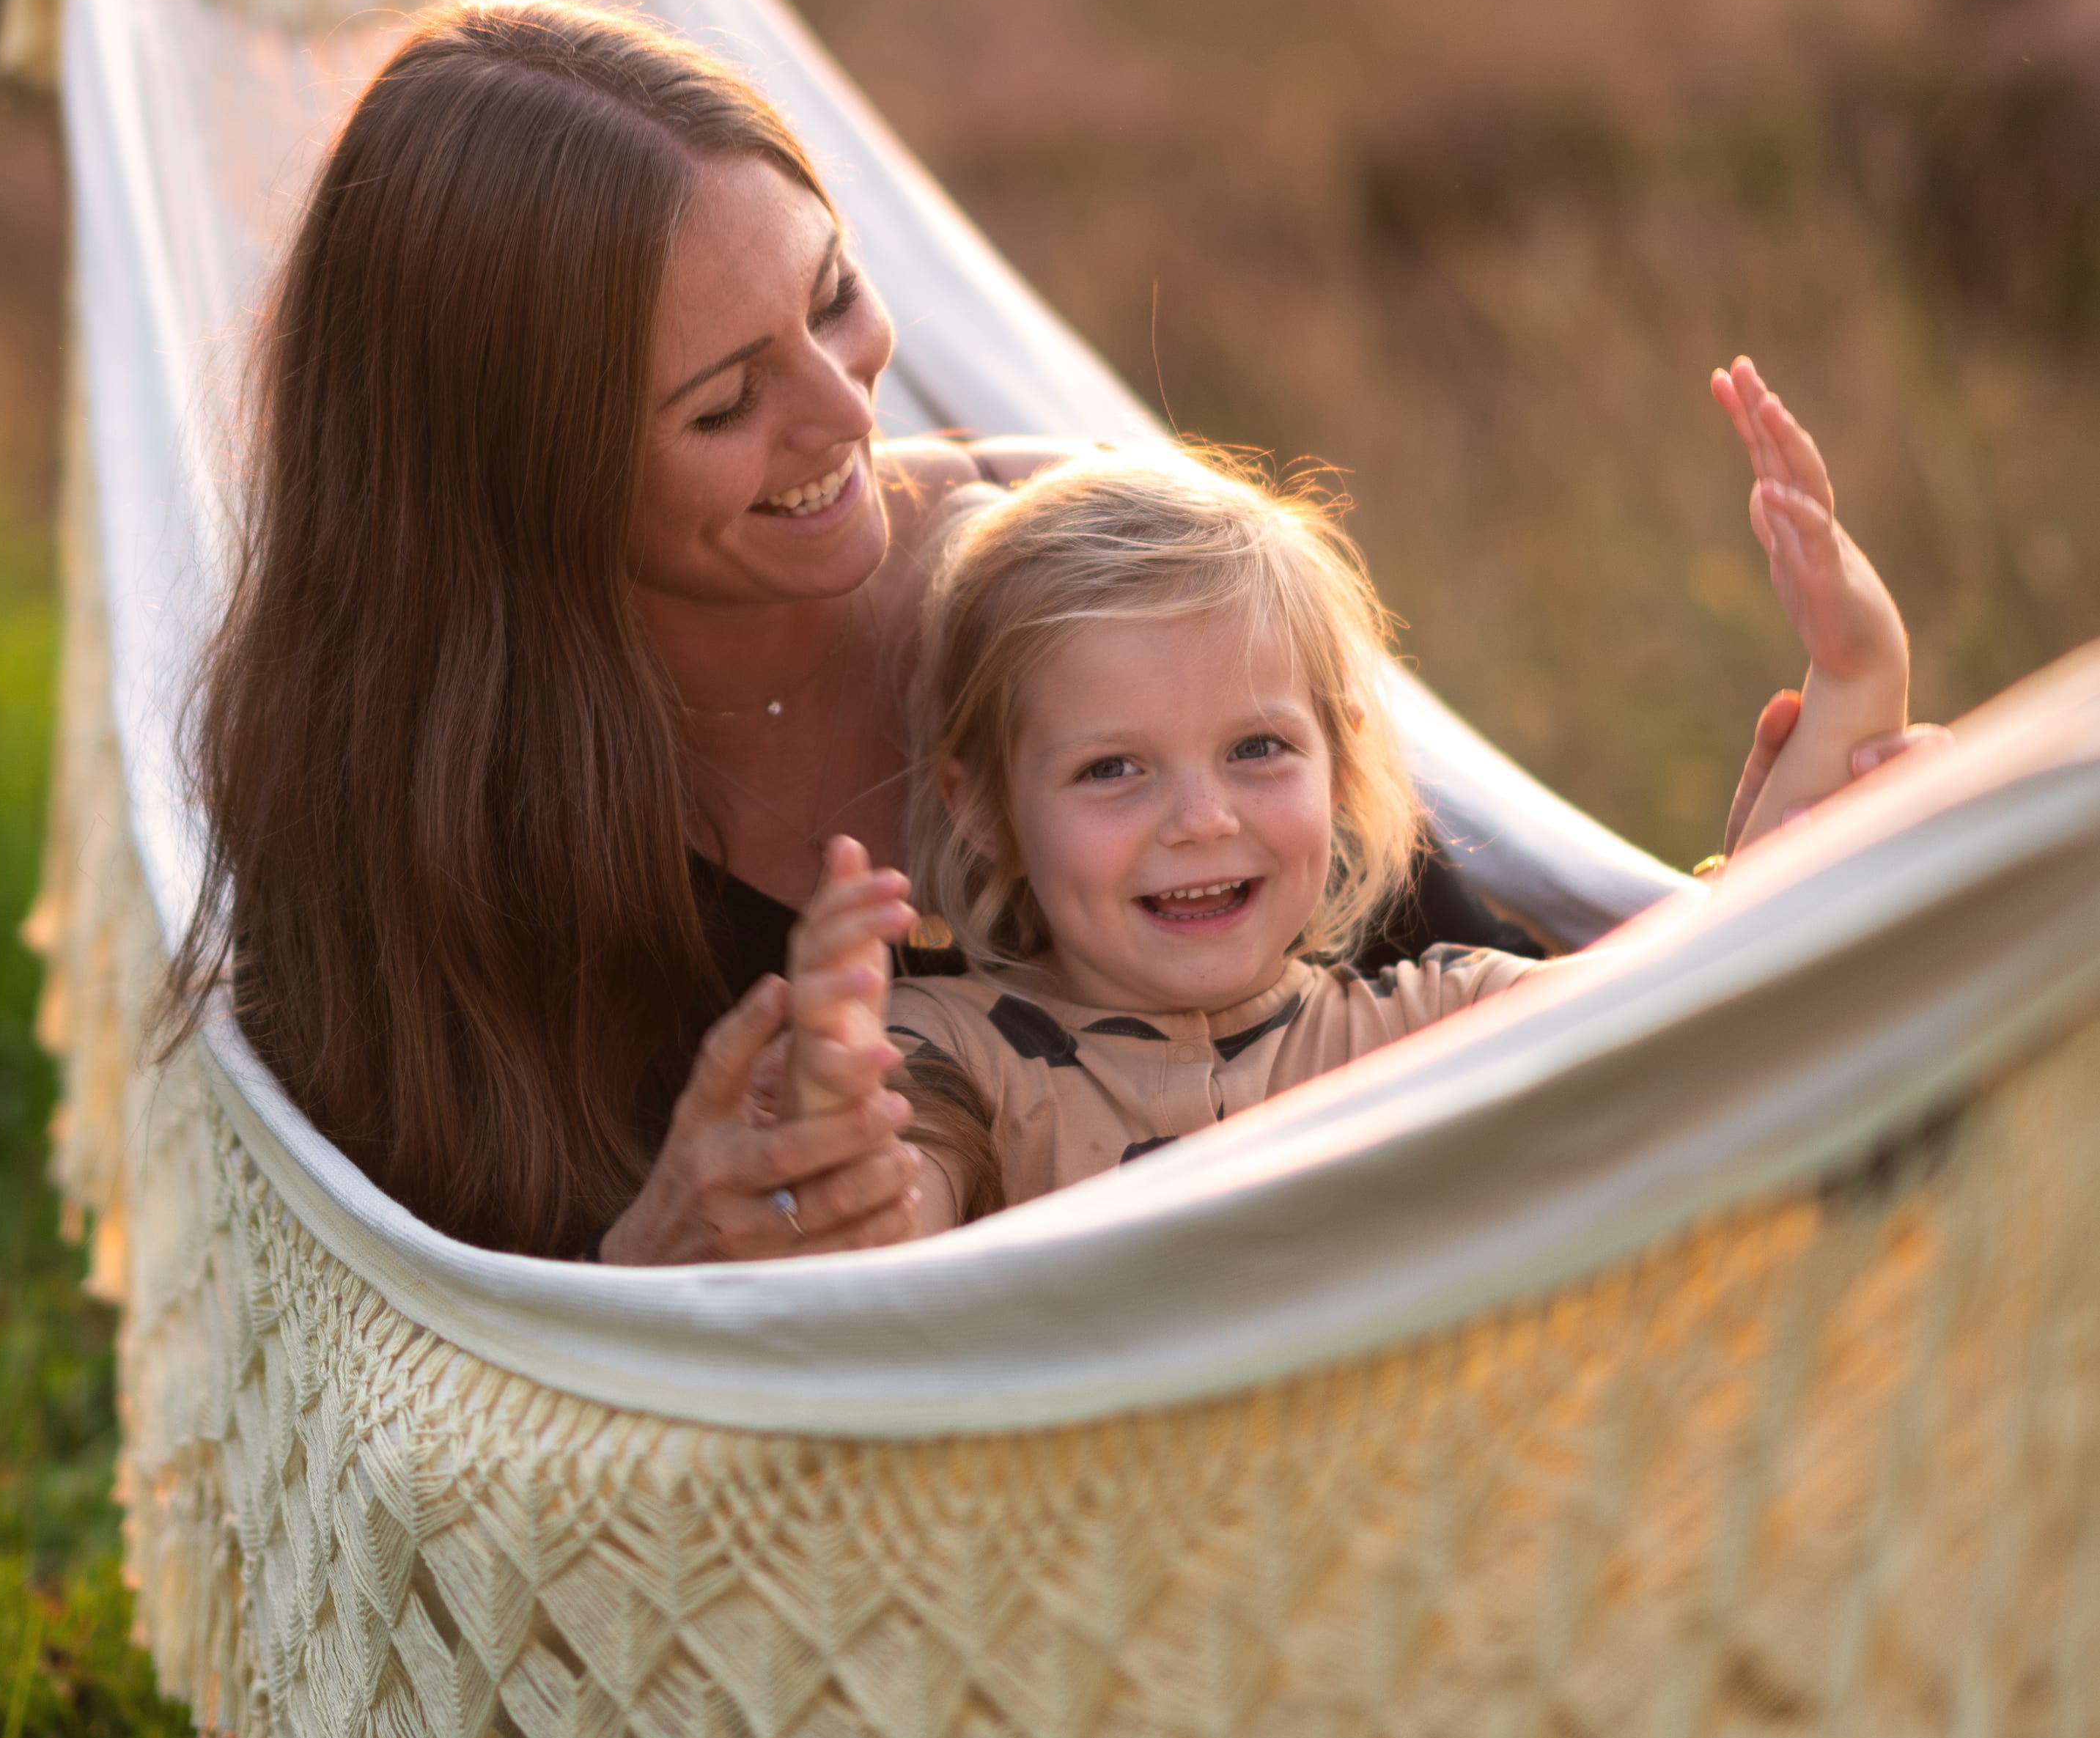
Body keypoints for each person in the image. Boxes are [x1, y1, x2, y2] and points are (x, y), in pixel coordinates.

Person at [167, 0, 1928, 1264]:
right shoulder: (416, 821)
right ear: (520, 482)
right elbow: (438, 1392)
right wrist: (656, 1265)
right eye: (723, 403)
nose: (845, 415)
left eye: (834, 299)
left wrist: (1747, 916)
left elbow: (1441, 999)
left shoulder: (1079, 576)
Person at [778, 396, 1914, 1229]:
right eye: (1113, 769)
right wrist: (836, 1115)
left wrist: (1855, 674)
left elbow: (1706, 1003)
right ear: (984, 812)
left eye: (1257, 749)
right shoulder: (955, 1054)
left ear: (1338, 762)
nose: (1200, 818)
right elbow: (867, 1253)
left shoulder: (1420, 1026)